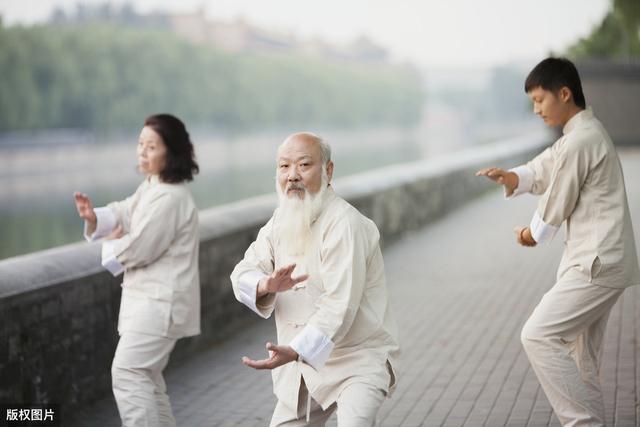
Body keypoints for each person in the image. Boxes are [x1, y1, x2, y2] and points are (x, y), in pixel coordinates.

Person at [476, 57, 640, 426]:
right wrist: (513, 177)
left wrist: (531, 234)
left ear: (564, 93)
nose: (536, 110)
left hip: (597, 263)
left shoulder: (582, 139)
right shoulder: (581, 136)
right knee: (582, 360)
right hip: (602, 261)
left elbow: (558, 197)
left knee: (538, 335)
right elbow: (549, 164)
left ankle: (582, 422)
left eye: (539, 100)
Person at [230, 132, 400, 426]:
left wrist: (297, 349)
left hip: (356, 360)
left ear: (328, 171)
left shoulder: (345, 223)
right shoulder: (278, 222)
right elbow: (242, 272)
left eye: (304, 165)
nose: (292, 176)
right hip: (302, 367)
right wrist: (266, 284)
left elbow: (340, 305)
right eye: (284, 167)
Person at [74, 114, 201, 427]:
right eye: (140, 144)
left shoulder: (170, 198)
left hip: (159, 304)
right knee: (147, 379)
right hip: (153, 304)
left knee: (129, 373)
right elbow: (125, 211)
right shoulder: (154, 187)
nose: (142, 152)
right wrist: (95, 218)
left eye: (151, 146)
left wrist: (114, 243)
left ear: (171, 152)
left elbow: (139, 248)